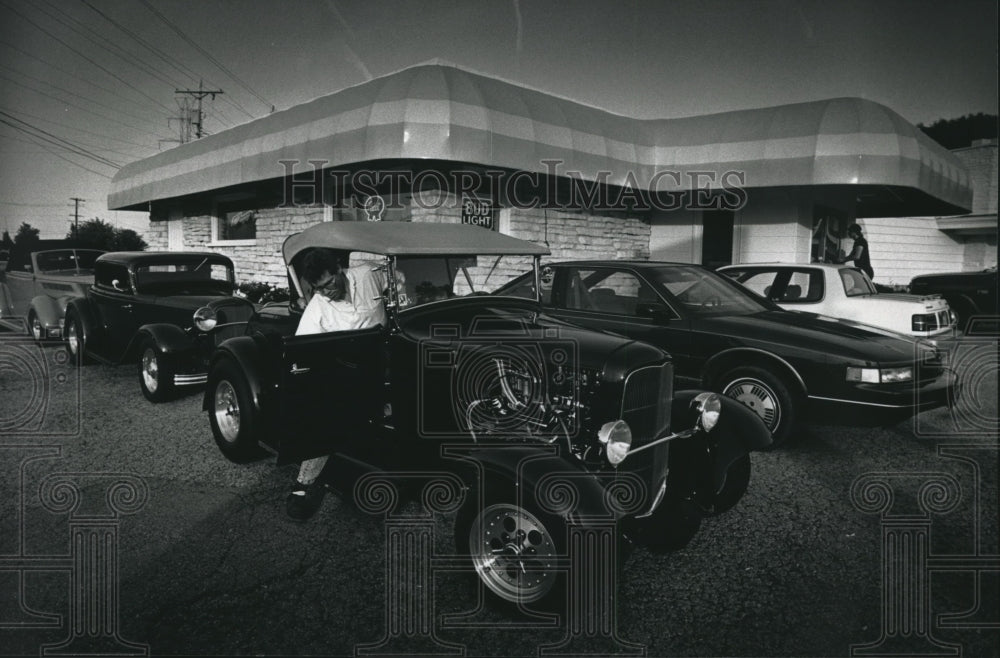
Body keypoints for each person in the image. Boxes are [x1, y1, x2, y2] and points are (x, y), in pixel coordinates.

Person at [286, 248, 388, 520]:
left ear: (340, 270)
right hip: (347, 370)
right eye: (319, 289)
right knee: (325, 413)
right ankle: (305, 483)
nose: (327, 291)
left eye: (330, 283)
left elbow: (401, 282)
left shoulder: (369, 275)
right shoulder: (318, 305)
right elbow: (303, 346)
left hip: (386, 357)